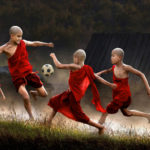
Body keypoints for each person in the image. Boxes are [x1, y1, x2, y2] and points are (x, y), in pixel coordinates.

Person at [47, 49, 116, 134]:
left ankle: (100, 127)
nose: (73, 59)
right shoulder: (86, 69)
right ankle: (48, 122)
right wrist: (110, 84)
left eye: (74, 58)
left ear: (77, 58)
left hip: (74, 96)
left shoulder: (75, 66)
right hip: (70, 93)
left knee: (80, 116)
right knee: (56, 102)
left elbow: (59, 65)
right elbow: (97, 77)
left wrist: (53, 56)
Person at [0, 26, 54, 120]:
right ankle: (31, 118)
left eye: (21, 36)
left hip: (29, 73)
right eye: (18, 36)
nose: (20, 39)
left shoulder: (22, 43)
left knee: (44, 94)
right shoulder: (5, 48)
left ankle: (33, 92)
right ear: (12, 36)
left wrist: (46, 44)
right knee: (25, 97)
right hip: (17, 76)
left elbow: (34, 43)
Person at [96, 48, 150, 124]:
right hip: (117, 94)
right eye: (111, 55)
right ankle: (147, 115)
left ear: (120, 57)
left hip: (123, 94)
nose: (111, 57)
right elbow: (107, 70)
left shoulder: (126, 68)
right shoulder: (114, 67)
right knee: (126, 113)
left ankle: (99, 127)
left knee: (108, 109)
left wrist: (148, 88)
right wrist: (98, 73)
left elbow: (141, 74)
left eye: (113, 56)